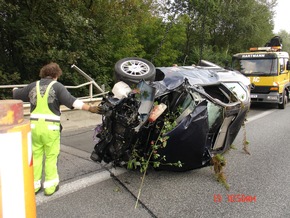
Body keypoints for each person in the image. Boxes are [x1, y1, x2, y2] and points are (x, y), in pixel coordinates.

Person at [13, 62, 102, 196]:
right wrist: (90, 108)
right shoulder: (57, 87)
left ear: (43, 74)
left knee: (36, 156)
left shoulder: (33, 85)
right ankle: (50, 186)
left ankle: (34, 186)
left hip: (34, 127)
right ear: (56, 75)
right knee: (51, 156)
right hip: (50, 128)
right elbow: (72, 101)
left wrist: (14, 89)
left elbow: (16, 95)